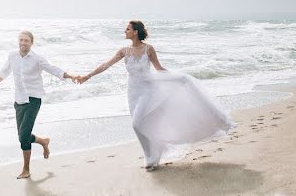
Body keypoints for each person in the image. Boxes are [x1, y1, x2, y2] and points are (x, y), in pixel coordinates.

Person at [78, 20, 235, 170]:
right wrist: (88, 75)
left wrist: (178, 78)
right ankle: (153, 153)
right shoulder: (123, 51)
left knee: (136, 123)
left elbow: (159, 69)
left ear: (135, 32)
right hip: (133, 92)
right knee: (140, 124)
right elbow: (106, 65)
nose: (125, 31)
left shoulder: (149, 49)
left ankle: (150, 158)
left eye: (128, 29)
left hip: (148, 90)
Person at [0, 30, 78, 179]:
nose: (23, 43)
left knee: (23, 136)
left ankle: (26, 169)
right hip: (19, 101)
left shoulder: (37, 59)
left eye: (26, 41)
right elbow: (4, 71)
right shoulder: (12, 56)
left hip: (33, 99)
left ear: (31, 43)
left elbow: (53, 69)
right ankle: (43, 141)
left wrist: (71, 75)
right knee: (22, 136)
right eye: (21, 40)